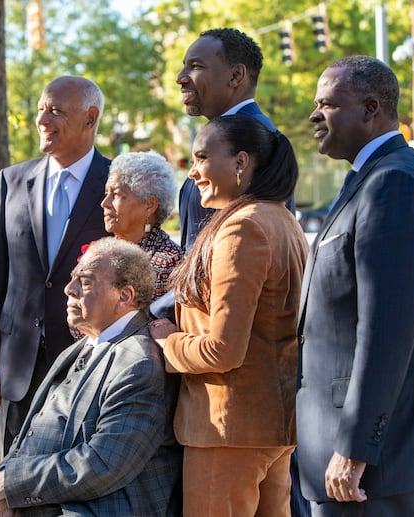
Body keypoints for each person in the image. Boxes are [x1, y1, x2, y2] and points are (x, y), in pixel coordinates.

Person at [297, 55, 414, 516]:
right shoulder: (377, 176)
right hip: (375, 452)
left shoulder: (394, 182)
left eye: (328, 104)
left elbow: (387, 330)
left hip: (379, 458)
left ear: (370, 108)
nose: (314, 116)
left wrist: (355, 449)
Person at [0, 238, 182, 517]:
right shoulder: (83, 347)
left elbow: (105, 463)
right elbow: (27, 437)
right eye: (72, 279)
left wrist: (14, 486)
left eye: (85, 282)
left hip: (96, 506)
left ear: (124, 296)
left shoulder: (138, 362)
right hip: (45, 496)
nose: (69, 290)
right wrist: (2, 486)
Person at [151, 114, 308, 516]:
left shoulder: (244, 228)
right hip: (269, 426)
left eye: (202, 158)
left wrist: (167, 341)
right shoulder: (281, 219)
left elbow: (223, 349)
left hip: (228, 430)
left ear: (240, 163)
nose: (193, 172)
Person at [0, 75, 110, 456]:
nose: (43, 120)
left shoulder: (116, 184)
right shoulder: (10, 182)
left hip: (86, 362)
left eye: (55, 111)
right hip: (19, 365)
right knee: (11, 485)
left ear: (90, 118)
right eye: (40, 109)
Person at [176, 27, 294, 252]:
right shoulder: (222, 137)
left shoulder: (259, 140)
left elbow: (257, 243)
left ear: (235, 76)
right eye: (184, 65)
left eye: (196, 66)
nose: (180, 78)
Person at [101, 151, 183, 300]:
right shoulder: (102, 251)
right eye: (107, 193)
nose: (105, 203)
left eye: (117, 195)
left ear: (149, 205)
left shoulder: (169, 262)